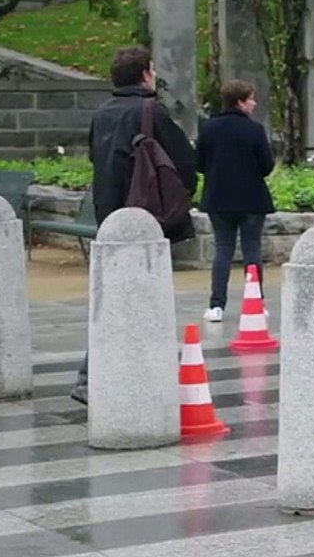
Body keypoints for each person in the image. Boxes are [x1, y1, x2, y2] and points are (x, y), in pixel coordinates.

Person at [70, 48, 198, 405]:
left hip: (108, 217)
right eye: (153, 71)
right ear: (144, 75)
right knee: (140, 297)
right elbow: (184, 161)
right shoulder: (150, 110)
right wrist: (179, 198)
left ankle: (102, 374)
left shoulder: (103, 113)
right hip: (144, 216)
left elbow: (97, 159)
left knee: (114, 294)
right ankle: (95, 375)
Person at [197, 80, 276, 323]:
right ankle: (256, 302)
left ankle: (216, 305)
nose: (254, 103)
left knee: (223, 250)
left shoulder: (209, 128)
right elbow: (267, 165)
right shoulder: (254, 130)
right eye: (251, 98)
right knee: (252, 250)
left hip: (218, 198)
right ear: (240, 101)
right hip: (251, 199)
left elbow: (199, 162)